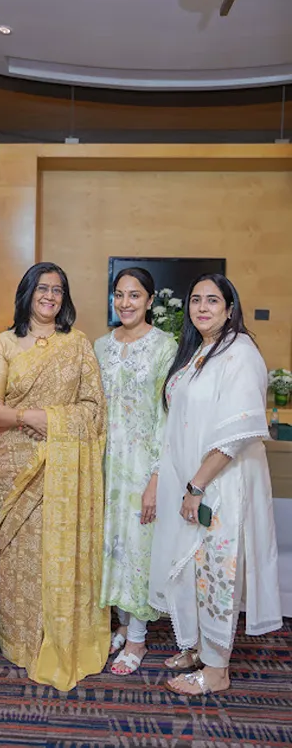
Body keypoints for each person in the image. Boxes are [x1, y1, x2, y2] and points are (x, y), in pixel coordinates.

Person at [0, 262, 110, 692]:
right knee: (20, 557)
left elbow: (94, 409)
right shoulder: (5, 343)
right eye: (42, 288)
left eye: (57, 290)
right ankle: (20, 641)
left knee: (59, 549)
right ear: (28, 293)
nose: (50, 296)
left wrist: (50, 420)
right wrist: (27, 417)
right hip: (16, 463)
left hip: (64, 465)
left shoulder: (78, 344)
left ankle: (59, 635)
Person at [149, 273, 282, 696]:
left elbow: (238, 431)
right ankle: (199, 648)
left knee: (216, 574)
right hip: (194, 481)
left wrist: (198, 485)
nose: (202, 307)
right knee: (194, 569)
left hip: (221, 485)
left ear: (229, 309)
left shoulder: (240, 352)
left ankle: (217, 670)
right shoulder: (199, 352)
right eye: (195, 300)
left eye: (212, 300)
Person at [95, 268, 177, 675]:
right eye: (119, 294)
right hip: (104, 463)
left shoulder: (166, 346)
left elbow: (168, 416)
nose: (125, 303)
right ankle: (123, 624)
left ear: (150, 300)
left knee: (139, 547)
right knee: (109, 546)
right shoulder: (100, 345)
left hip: (144, 463)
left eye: (134, 295)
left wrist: (157, 478)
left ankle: (138, 639)